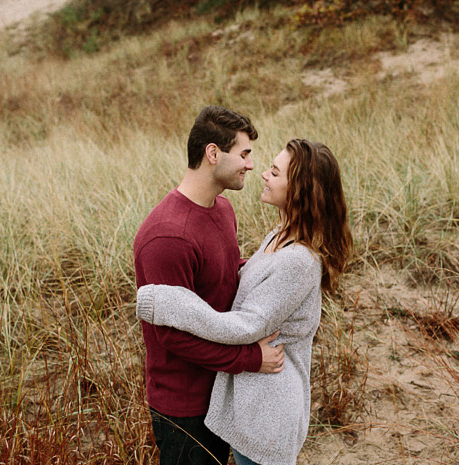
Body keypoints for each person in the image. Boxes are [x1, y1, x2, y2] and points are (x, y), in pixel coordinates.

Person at [136, 139, 353, 465]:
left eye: (275, 172)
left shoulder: (298, 260)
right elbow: (251, 282)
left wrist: (169, 303)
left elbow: (247, 325)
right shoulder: (280, 233)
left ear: (299, 190)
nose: (262, 173)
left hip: (268, 412)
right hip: (251, 404)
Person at [131, 105, 287, 465]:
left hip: (221, 392)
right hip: (184, 409)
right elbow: (172, 334)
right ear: (213, 153)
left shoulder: (221, 209)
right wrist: (249, 358)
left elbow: (225, 277)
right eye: (244, 154)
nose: (251, 165)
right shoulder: (167, 236)